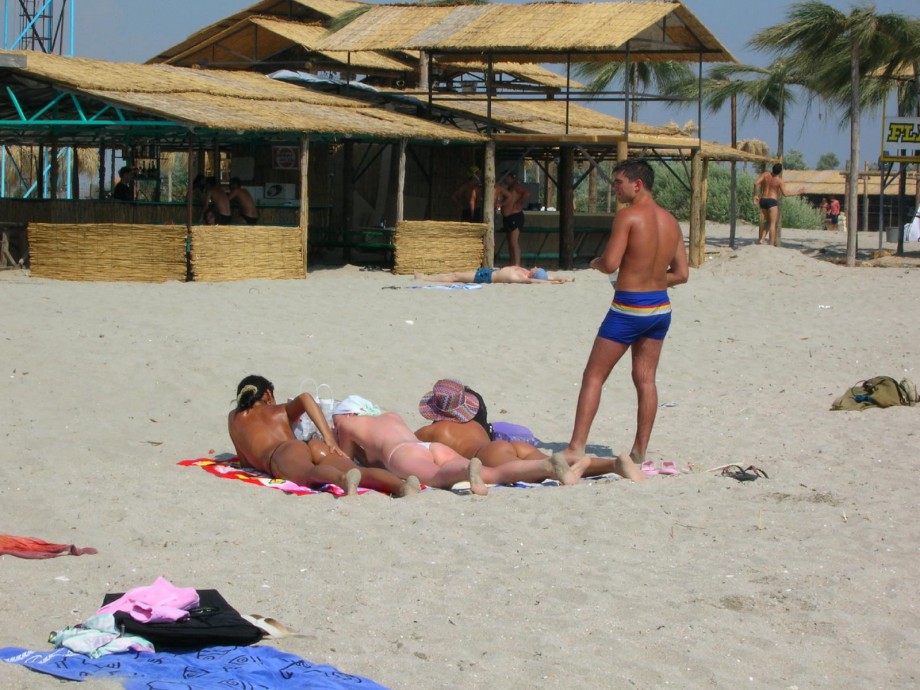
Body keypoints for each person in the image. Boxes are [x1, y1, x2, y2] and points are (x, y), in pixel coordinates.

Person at [565, 158, 688, 472]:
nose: (614, 187)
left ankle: (576, 446)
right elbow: (682, 274)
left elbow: (610, 263)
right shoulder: (671, 221)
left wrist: (595, 263)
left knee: (594, 376)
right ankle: (638, 451)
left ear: (638, 184)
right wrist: (654, 281)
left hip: (628, 309)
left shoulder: (628, 217)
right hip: (659, 308)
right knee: (645, 380)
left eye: (619, 182)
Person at [332, 395, 588, 496]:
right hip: (429, 446)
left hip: (402, 453)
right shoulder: (391, 416)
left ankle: (466, 473)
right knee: (492, 473)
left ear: (345, 415)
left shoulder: (346, 425)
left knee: (439, 477)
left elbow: (349, 457)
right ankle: (544, 465)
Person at [415, 378, 642, 481]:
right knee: (554, 461)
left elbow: (404, 450)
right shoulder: (474, 424)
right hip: (506, 446)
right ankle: (613, 464)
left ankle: (603, 466)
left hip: (485, 456)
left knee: (545, 470)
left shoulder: (428, 433)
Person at [227, 375, 418, 497]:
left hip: (283, 453)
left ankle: (342, 480)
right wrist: (328, 438)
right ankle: (403, 486)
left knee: (308, 474)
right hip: (310, 445)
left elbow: (245, 463)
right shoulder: (279, 411)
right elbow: (305, 398)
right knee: (359, 471)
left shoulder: (234, 419)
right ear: (268, 394)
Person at [753, 163, 805, 245]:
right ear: (780, 171)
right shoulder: (779, 180)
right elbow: (785, 194)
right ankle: (771, 243)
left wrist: (755, 195)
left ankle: (762, 239)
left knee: (768, 221)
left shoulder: (766, 174)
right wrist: (798, 192)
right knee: (773, 224)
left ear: (772, 168)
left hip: (763, 200)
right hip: (772, 201)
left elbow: (756, 183)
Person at [497, 172, 530, 266]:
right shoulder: (509, 188)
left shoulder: (516, 186)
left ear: (511, 177)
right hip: (508, 217)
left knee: (513, 241)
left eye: (506, 177)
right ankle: (512, 264)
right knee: (510, 242)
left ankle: (517, 264)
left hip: (515, 216)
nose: (504, 179)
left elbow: (527, 193)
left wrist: (518, 202)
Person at [413, 265, 572, 285]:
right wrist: (563, 279)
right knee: (458, 273)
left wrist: (554, 284)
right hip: (489, 271)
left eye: (536, 268)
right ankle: (427, 276)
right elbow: (548, 277)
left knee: (456, 275)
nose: (535, 266)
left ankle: (426, 278)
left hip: (486, 277)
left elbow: (541, 282)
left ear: (534, 274)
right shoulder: (525, 272)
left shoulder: (523, 278)